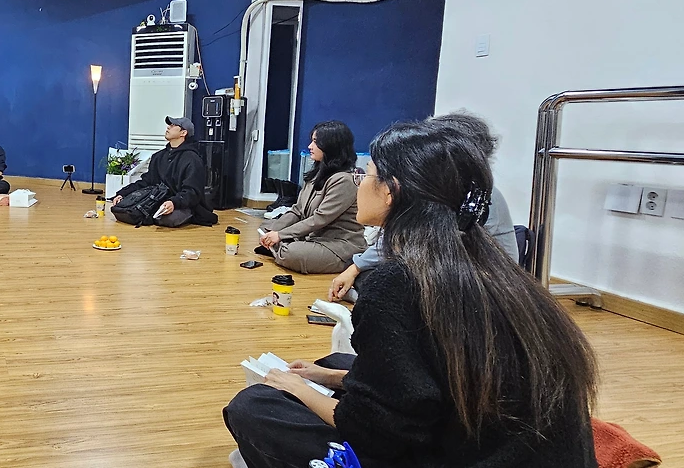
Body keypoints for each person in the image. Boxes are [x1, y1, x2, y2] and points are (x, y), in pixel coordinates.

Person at [223, 115, 599, 468]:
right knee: (336, 363)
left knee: (254, 407)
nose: (360, 183)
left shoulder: (397, 285)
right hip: (518, 446)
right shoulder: (495, 268)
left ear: (390, 191)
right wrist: (324, 378)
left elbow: (374, 434)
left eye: (367, 174)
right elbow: (438, 379)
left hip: (459, 454)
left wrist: (297, 388)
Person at [329, 113, 519, 302]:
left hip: (475, 286)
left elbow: (437, 255)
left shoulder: (472, 197)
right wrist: (356, 267)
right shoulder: (444, 191)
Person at [256, 121, 366, 273]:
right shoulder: (316, 175)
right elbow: (297, 211)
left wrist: (280, 235)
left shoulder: (344, 180)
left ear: (330, 146)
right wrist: (273, 231)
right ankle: (279, 246)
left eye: (315, 142)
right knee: (265, 228)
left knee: (291, 254)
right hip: (312, 237)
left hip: (338, 245)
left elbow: (320, 219)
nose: (310, 146)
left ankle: (281, 247)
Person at [111, 116, 217, 227]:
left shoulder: (192, 159)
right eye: (169, 125)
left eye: (173, 125)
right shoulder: (159, 156)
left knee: (166, 219)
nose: (168, 127)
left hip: (182, 204)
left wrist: (174, 202)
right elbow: (146, 182)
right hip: (159, 200)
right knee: (124, 209)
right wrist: (123, 194)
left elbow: (192, 192)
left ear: (183, 133)